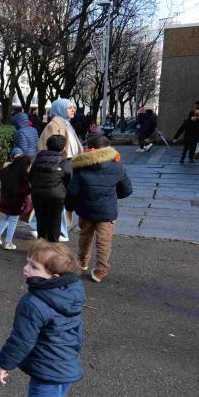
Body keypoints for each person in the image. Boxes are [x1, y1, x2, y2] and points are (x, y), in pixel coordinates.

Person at [0, 240, 85, 397]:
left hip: (50, 369)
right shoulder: (71, 294)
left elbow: (21, 339)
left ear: (53, 276)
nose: (26, 269)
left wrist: (4, 364)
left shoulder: (33, 303)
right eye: (27, 263)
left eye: (34, 267)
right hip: (66, 364)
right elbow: (77, 330)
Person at [65, 134, 132, 282]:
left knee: (85, 236)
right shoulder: (117, 164)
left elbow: (73, 191)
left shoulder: (80, 165)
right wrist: (112, 197)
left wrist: (69, 206)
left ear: (91, 148)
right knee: (104, 241)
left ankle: (82, 262)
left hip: (86, 209)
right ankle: (101, 271)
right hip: (107, 211)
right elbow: (127, 189)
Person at [36, 99, 81, 240]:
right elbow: (49, 148)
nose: (73, 110)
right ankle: (59, 232)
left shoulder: (66, 124)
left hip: (67, 165)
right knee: (58, 200)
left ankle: (58, 231)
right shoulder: (55, 125)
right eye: (69, 108)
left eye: (73, 107)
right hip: (59, 166)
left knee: (61, 201)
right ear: (61, 109)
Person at [28, 135, 72, 243]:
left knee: (41, 222)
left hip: (38, 195)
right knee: (55, 223)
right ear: (63, 148)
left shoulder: (37, 160)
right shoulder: (64, 162)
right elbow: (69, 179)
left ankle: (40, 249)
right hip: (56, 195)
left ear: (47, 146)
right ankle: (53, 249)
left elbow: (31, 176)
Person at [0, 150, 32, 250]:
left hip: (5, 202)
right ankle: (8, 243)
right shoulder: (22, 177)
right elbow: (25, 191)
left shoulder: (6, 172)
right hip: (15, 204)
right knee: (13, 221)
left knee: (6, 218)